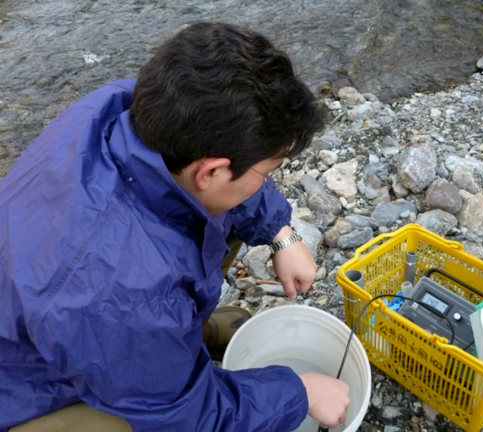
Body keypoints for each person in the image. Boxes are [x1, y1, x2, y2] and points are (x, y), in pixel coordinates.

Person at [0, 21, 350, 431]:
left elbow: (219, 164)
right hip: (29, 390)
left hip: (77, 318)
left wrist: (280, 233)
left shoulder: (123, 106)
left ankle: (176, 344)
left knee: (218, 216)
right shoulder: (121, 292)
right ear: (212, 171)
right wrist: (300, 393)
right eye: (268, 168)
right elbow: (191, 419)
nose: (267, 177)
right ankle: (157, 358)